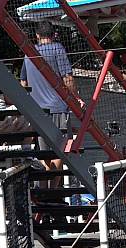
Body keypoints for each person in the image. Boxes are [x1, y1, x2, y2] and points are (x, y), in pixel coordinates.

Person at [19, 21, 83, 186]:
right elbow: (67, 78)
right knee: (59, 151)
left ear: (37, 35)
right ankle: (51, 192)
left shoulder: (28, 54)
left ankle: (44, 189)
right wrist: (75, 98)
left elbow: (23, 83)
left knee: (45, 153)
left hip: (37, 111)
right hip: (57, 107)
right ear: (53, 34)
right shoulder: (57, 49)